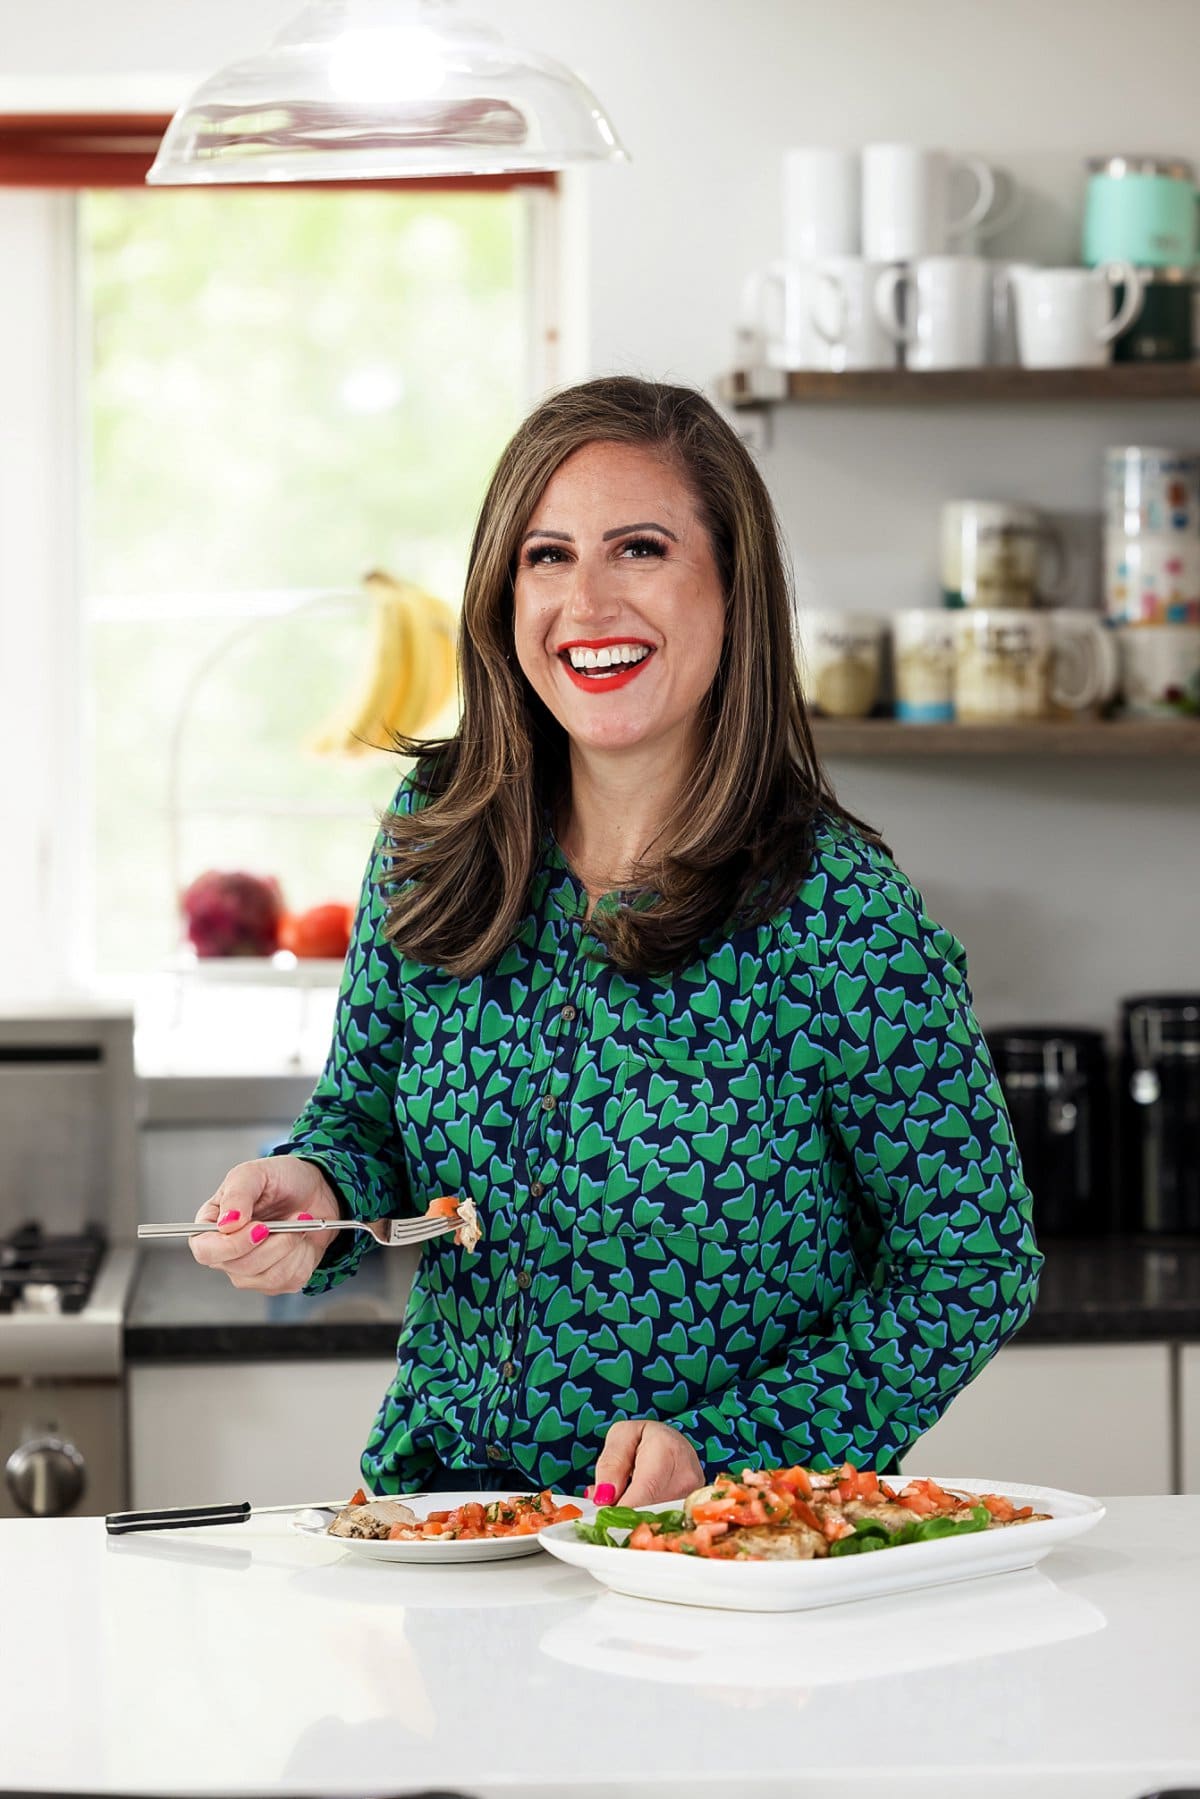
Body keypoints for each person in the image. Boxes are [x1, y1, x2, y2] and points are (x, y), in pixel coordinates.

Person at [191, 375, 1042, 1506]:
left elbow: (973, 1262)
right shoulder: (439, 829)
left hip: (713, 1548)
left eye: (640, 549)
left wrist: (726, 1449)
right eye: (546, 556)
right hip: (455, 1518)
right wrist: (312, 1191)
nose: (586, 602)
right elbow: (363, 1120)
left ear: (732, 588)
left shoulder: (839, 911)